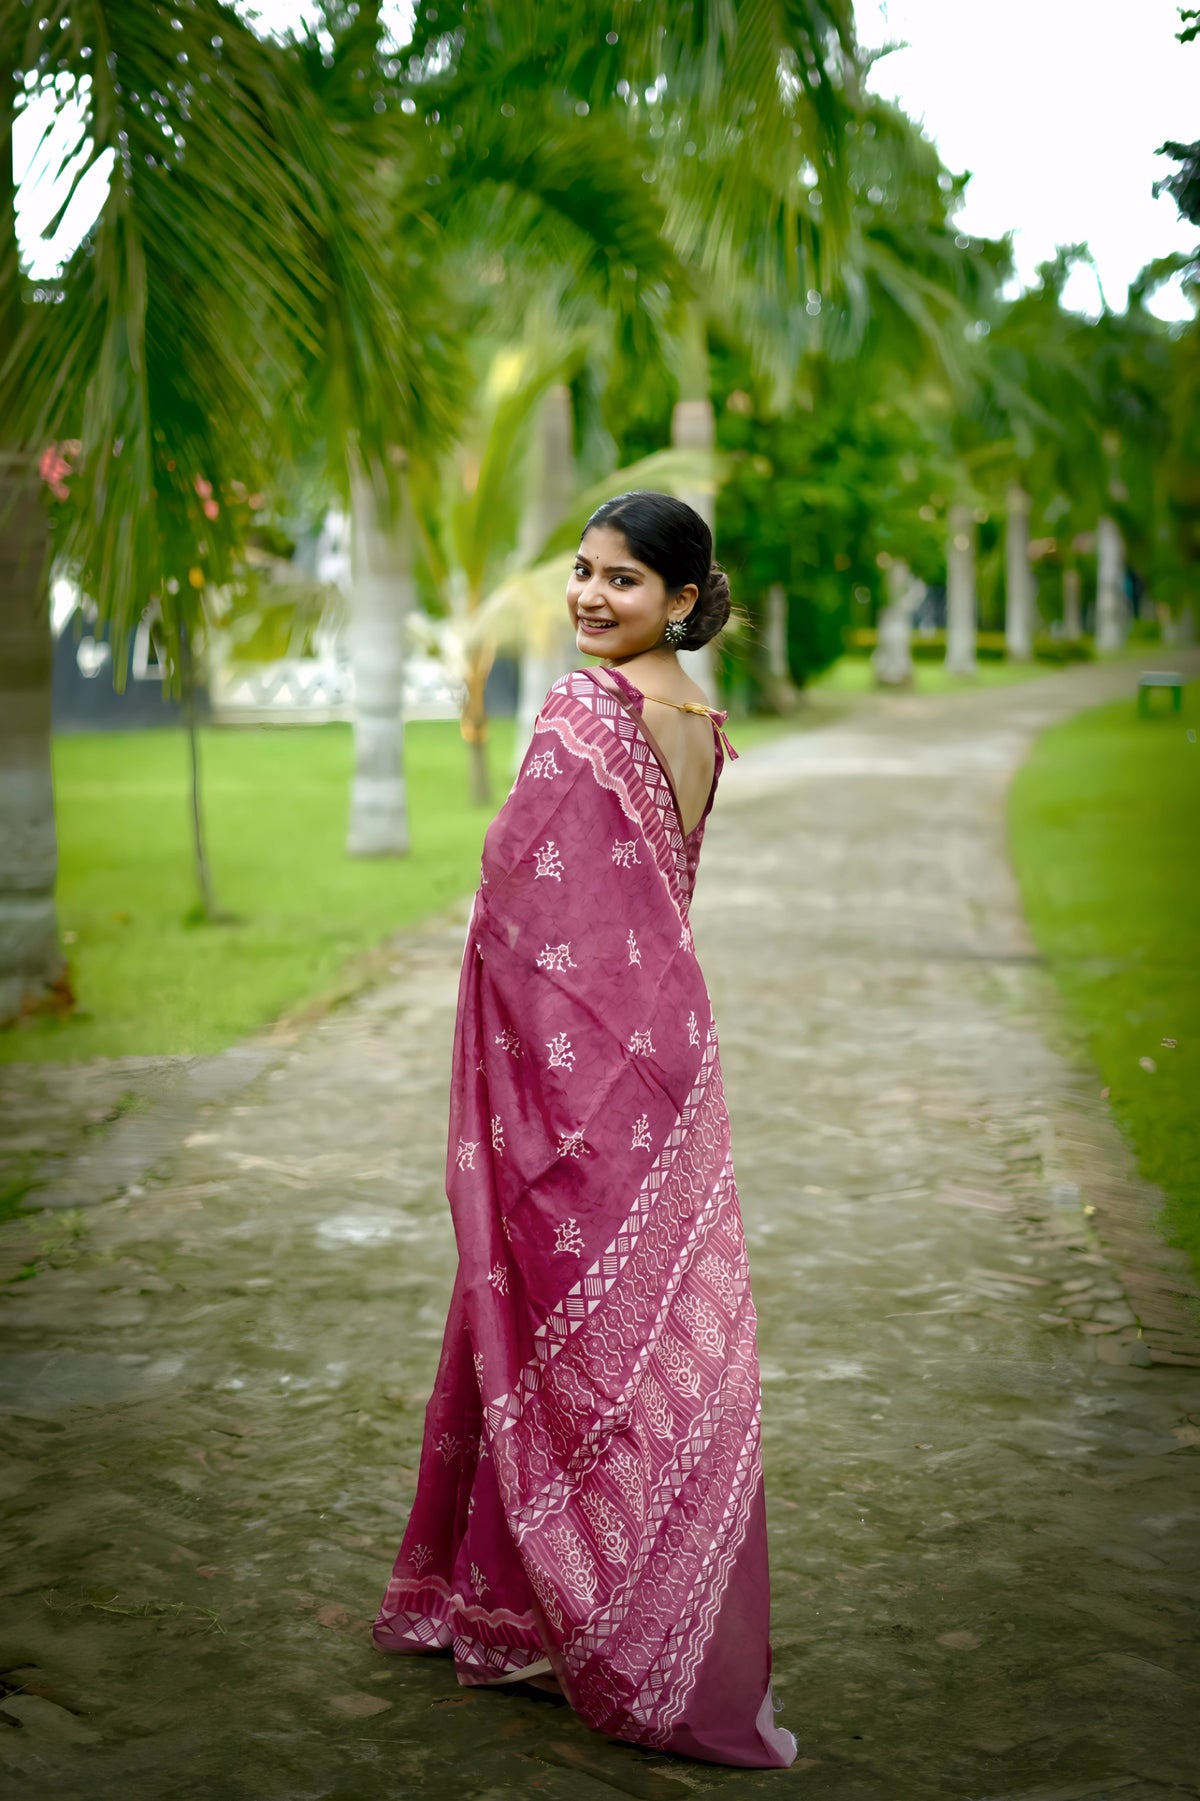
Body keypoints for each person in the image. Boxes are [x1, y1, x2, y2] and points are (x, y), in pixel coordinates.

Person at [372, 491, 797, 1770]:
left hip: (580, 1079)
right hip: (665, 1058)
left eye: (622, 581)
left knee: (553, 1323)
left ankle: (592, 1616)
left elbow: (514, 895)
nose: (591, 597)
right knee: (632, 1329)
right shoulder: (698, 723)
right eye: (582, 572)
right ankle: (569, 1596)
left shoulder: (582, 711)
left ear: (682, 598)